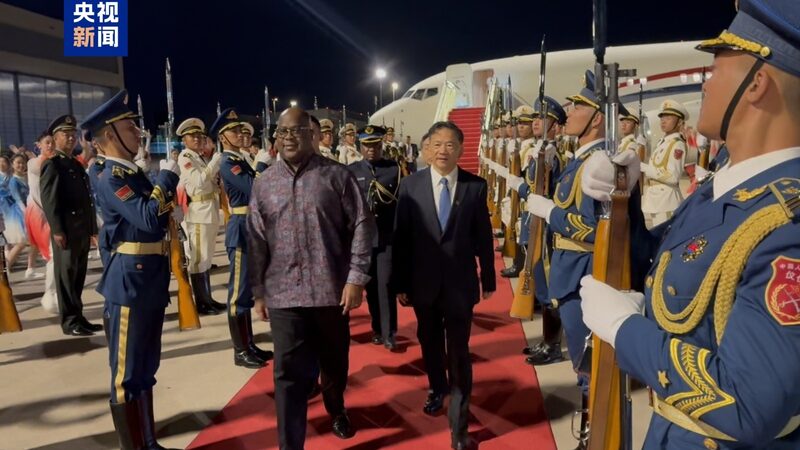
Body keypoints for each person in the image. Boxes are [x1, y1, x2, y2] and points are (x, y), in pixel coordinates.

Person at [579, 1, 800, 448]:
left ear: (756, 84)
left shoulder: (786, 225)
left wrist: (626, 330)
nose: (707, 80)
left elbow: (747, 404)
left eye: (717, 69)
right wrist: (624, 193)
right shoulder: (723, 189)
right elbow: (667, 266)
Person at [247, 107, 374, 449]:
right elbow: (256, 240)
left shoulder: (338, 176)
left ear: (313, 135)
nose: (288, 138)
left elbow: (362, 225)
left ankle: (336, 409)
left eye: (296, 131)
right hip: (283, 295)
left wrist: (356, 277)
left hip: (331, 292)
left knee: (334, 362)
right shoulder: (263, 184)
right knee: (287, 374)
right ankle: (291, 444)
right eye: (282, 132)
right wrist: (258, 291)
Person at [82, 89, 180, 450]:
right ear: (109, 136)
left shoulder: (130, 173)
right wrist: (166, 179)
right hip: (129, 282)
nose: (138, 133)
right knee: (126, 376)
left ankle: (149, 443)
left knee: (145, 371)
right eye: (129, 127)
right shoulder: (111, 176)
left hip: (148, 278)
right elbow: (148, 219)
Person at [391, 121, 495, 450]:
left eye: (450, 145)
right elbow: (401, 238)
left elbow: (482, 235)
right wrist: (399, 282)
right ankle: (437, 388)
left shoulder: (475, 187)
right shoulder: (410, 186)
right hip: (422, 285)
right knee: (430, 343)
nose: (442, 151)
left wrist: (488, 277)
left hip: (460, 285)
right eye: (436, 144)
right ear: (425, 149)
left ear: (461, 150)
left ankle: (459, 430)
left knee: (460, 353)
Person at [213, 109, 273, 369]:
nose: (241, 134)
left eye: (242, 130)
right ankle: (240, 350)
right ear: (223, 137)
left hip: (251, 227)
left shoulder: (240, 159)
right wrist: (260, 165)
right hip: (240, 229)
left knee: (246, 291)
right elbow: (254, 189)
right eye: (235, 131)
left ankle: (249, 344)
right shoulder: (228, 162)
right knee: (238, 294)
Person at [40, 114, 101, 336]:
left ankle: (79, 317)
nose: (71, 138)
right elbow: (49, 200)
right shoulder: (53, 165)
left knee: (78, 275)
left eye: (72, 134)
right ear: (55, 139)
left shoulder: (74, 163)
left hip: (81, 228)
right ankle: (69, 322)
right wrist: (57, 230)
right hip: (66, 230)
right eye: (65, 134)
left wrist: (92, 228)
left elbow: (87, 199)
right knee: (66, 277)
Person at [347, 125, 401, 350]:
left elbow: (399, 202)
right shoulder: (351, 170)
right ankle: (377, 328)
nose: (371, 149)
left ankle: (390, 333)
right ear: (361, 146)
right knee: (370, 288)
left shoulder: (393, 168)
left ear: (382, 145)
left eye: (375, 145)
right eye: (367, 145)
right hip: (363, 239)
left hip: (386, 236)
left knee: (386, 285)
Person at [176, 118, 227, 316]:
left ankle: (208, 298)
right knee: (198, 260)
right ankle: (202, 303)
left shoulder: (199, 157)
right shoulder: (185, 157)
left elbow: (209, 182)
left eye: (200, 136)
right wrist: (214, 162)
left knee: (206, 258)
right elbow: (198, 182)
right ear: (184, 140)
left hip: (209, 210)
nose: (197, 139)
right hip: (198, 213)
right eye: (192, 136)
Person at [641, 99, 689, 227]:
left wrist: (645, 168)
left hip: (666, 201)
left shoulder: (677, 144)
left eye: (669, 117)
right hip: (657, 199)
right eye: (662, 117)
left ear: (679, 122)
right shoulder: (663, 142)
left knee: (664, 240)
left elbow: (673, 176)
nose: (663, 120)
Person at [27, 132, 58, 313]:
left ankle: (52, 294)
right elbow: (41, 167)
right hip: (39, 215)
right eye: (47, 143)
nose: (51, 146)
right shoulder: (34, 163)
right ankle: (50, 295)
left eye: (53, 142)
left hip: (48, 214)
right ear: (38, 144)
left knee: (53, 256)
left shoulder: (53, 162)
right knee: (53, 255)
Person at [3, 153, 42, 278]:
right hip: (20, 214)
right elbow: (18, 199)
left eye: (23, 162)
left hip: (29, 211)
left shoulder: (25, 177)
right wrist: (27, 214)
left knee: (33, 242)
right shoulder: (13, 181)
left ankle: (30, 268)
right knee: (21, 243)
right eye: (18, 163)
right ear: (13, 165)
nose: (21, 165)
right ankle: (6, 267)